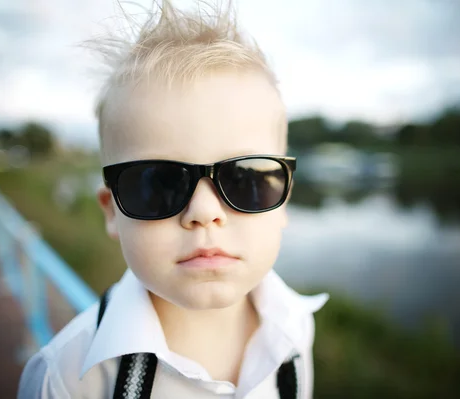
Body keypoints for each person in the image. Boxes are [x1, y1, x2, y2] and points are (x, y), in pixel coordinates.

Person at [18, 1, 328, 397]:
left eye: (245, 179)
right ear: (112, 211)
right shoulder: (68, 376)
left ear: (283, 200)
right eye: (159, 183)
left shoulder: (296, 328)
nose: (204, 213)